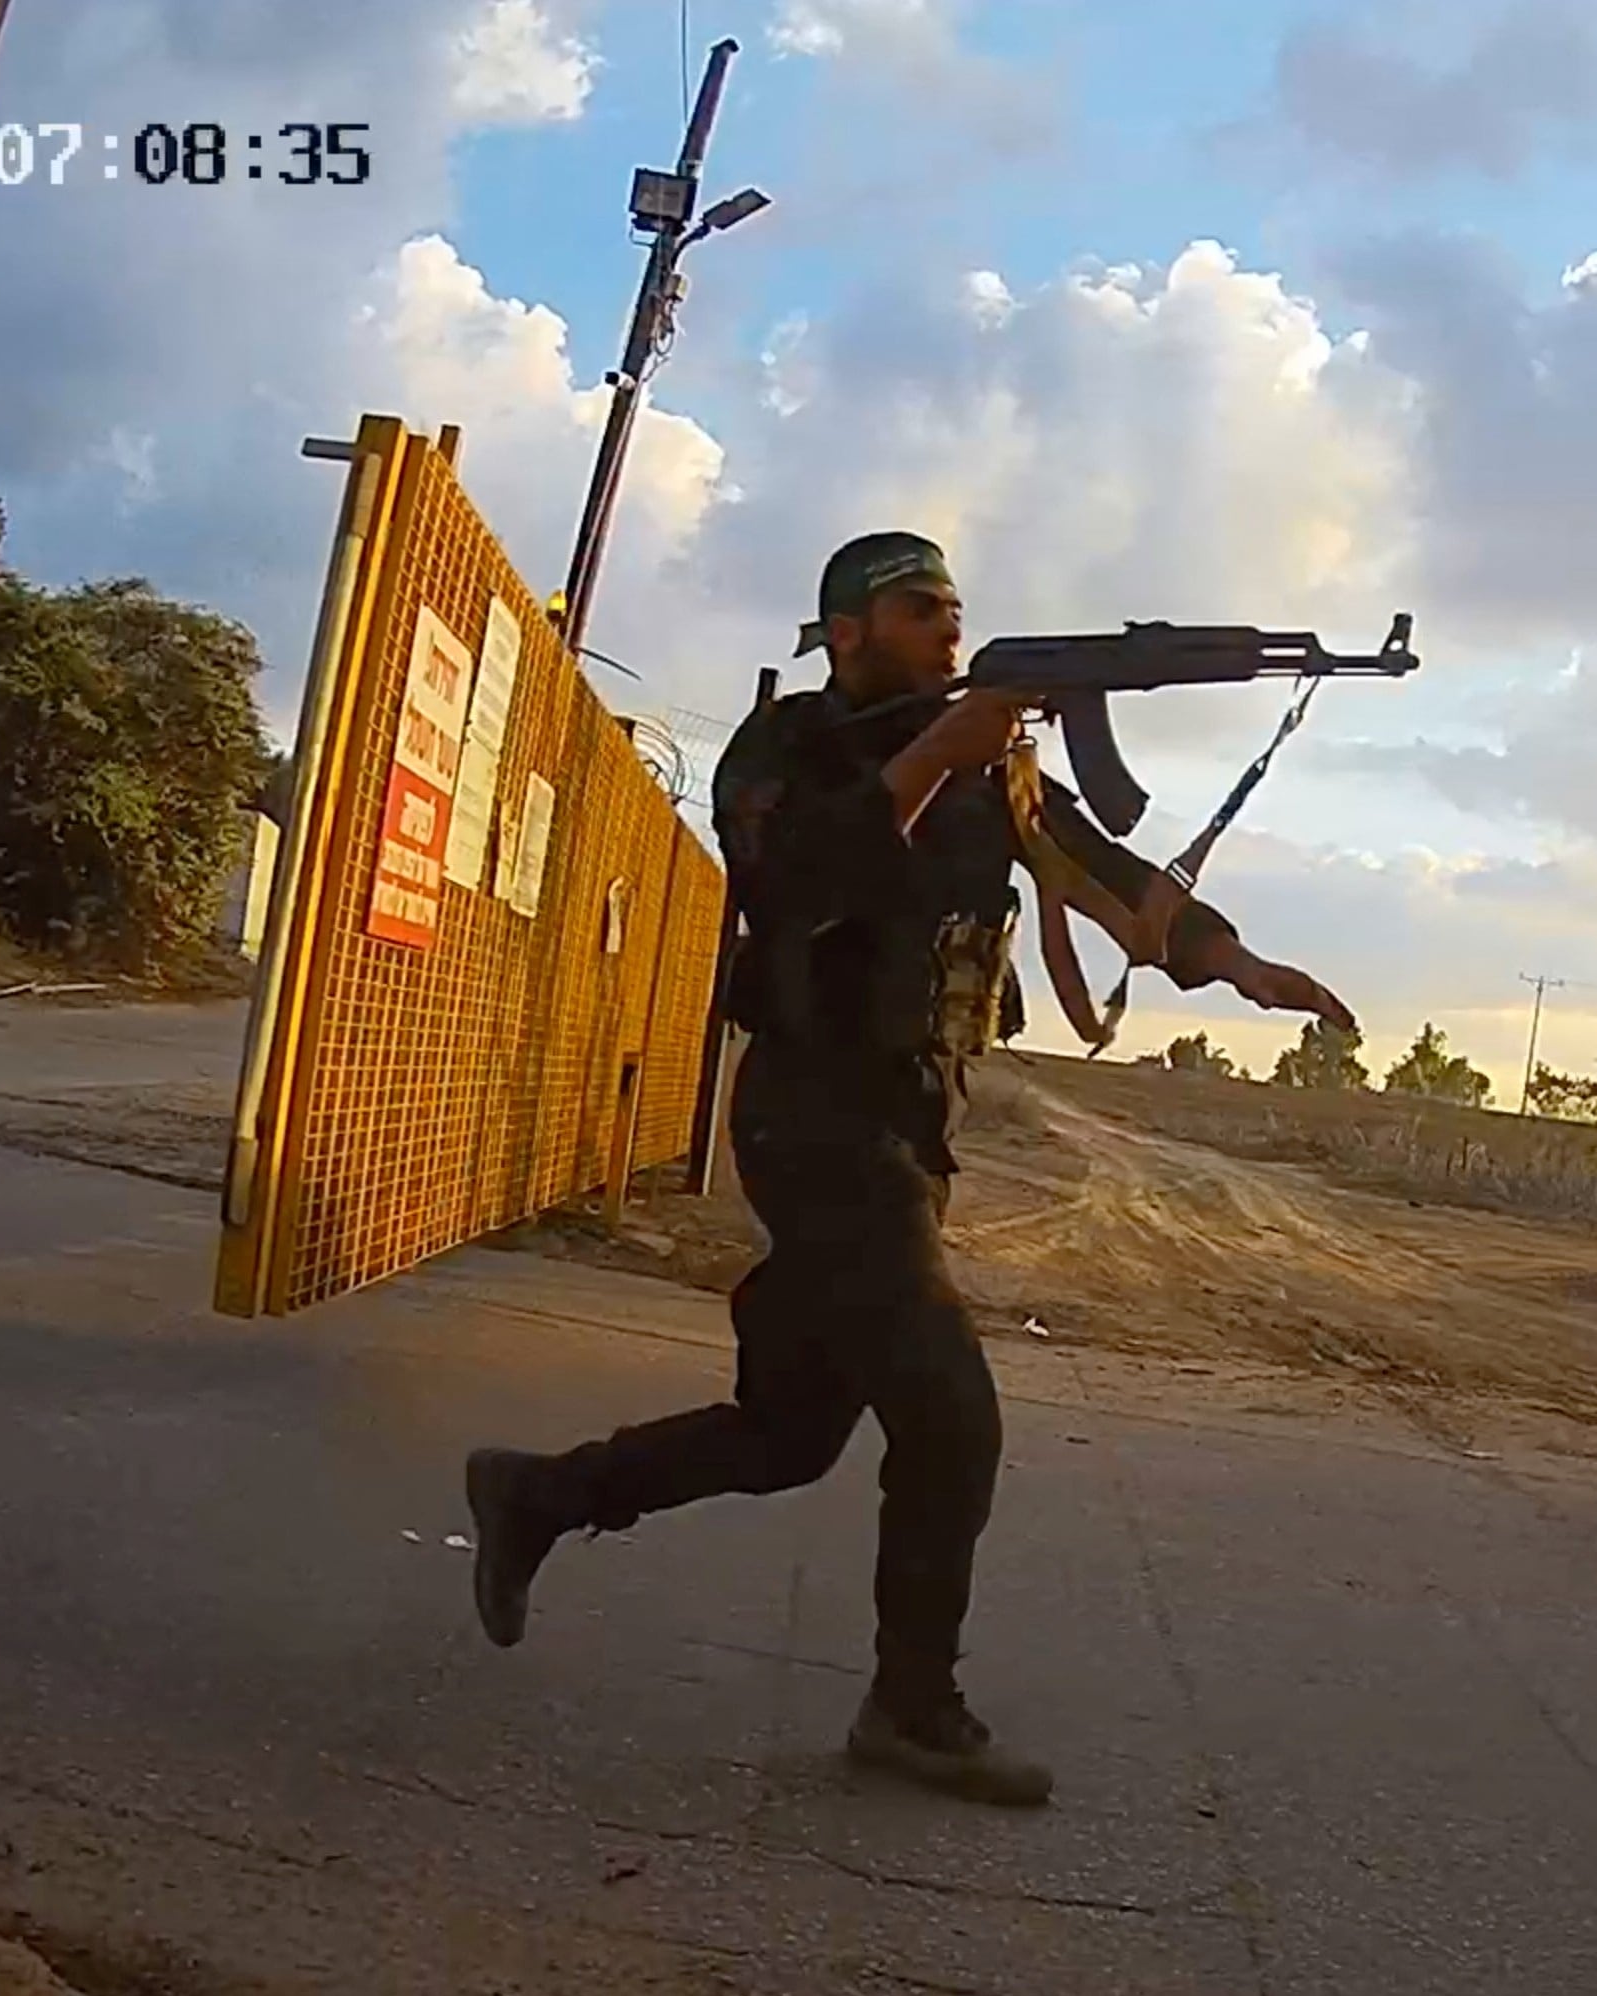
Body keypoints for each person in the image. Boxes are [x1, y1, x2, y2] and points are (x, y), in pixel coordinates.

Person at [459, 532, 1354, 1808]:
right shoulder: (782, 748)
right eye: (918, 610)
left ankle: (540, 1495)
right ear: (844, 631)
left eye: (953, 611)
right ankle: (911, 1709)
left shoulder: (1004, 780)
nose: (946, 630)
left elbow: (1110, 885)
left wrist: (1238, 965)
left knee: (788, 1435)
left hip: (907, 1129)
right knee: (949, 1414)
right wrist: (947, 745)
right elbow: (796, 877)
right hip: (813, 1117)